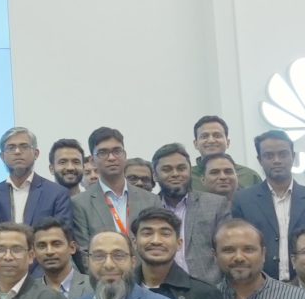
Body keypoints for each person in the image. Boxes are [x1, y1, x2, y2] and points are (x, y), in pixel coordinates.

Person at [227, 130, 305, 282]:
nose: (277, 160)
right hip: (259, 284)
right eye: (269, 155)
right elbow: (237, 244)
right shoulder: (243, 200)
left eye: (283, 154)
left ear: (293, 156)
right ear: (260, 160)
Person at [75, 126, 163, 251]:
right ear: (92, 160)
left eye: (117, 151)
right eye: (103, 152)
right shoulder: (80, 204)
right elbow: (83, 252)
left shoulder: (151, 200)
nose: (111, 157)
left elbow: (158, 244)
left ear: (125, 155)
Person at [152, 144, 230, 283]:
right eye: (167, 169)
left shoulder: (216, 204)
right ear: (155, 176)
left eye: (181, 168)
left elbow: (228, 249)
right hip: (161, 288)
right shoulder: (148, 207)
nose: (175, 174)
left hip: (208, 287)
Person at [0, 126, 69, 226]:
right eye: (11, 148)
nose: (17, 152)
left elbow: (62, 231)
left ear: (36, 154)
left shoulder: (56, 193)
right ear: (2, 157)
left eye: (24, 146)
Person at [191, 115, 261, 189]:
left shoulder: (250, 176)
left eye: (217, 136)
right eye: (204, 136)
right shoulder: (187, 177)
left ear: (227, 142)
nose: (211, 140)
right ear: (196, 144)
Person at [32, 218, 89, 299]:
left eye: (56, 244)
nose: (49, 251)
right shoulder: (26, 293)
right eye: (42, 246)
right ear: (33, 252)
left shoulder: (93, 287)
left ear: (72, 248)